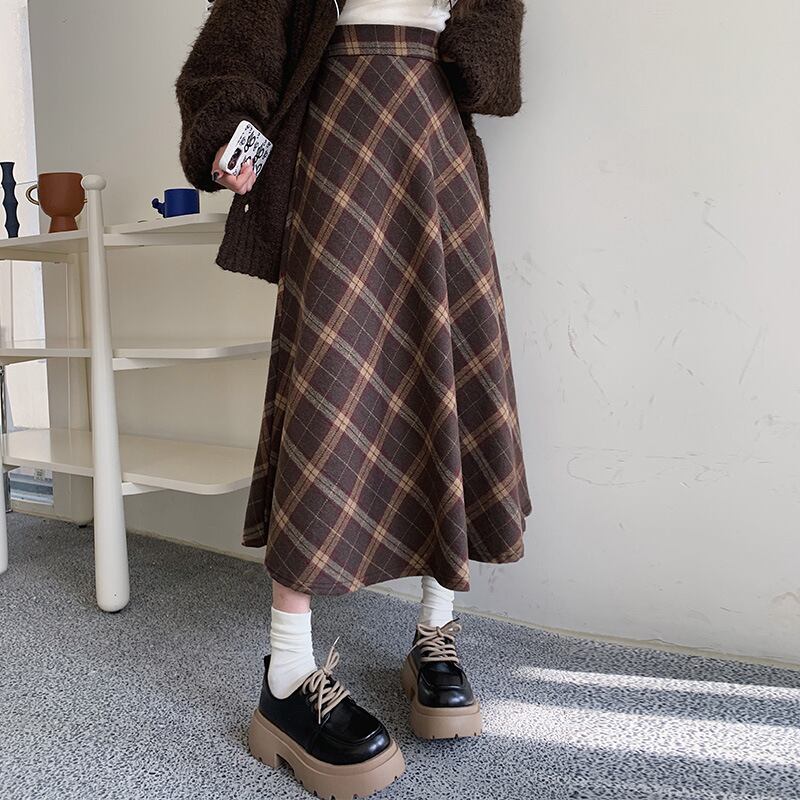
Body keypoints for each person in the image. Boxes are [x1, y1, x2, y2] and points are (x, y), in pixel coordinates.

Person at [176, 0, 531, 796]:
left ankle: (435, 632)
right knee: (326, 390)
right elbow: (231, 56)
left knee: (450, 377)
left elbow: (493, 80)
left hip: (437, 155)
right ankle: (287, 673)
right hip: (336, 152)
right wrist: (226, 131)